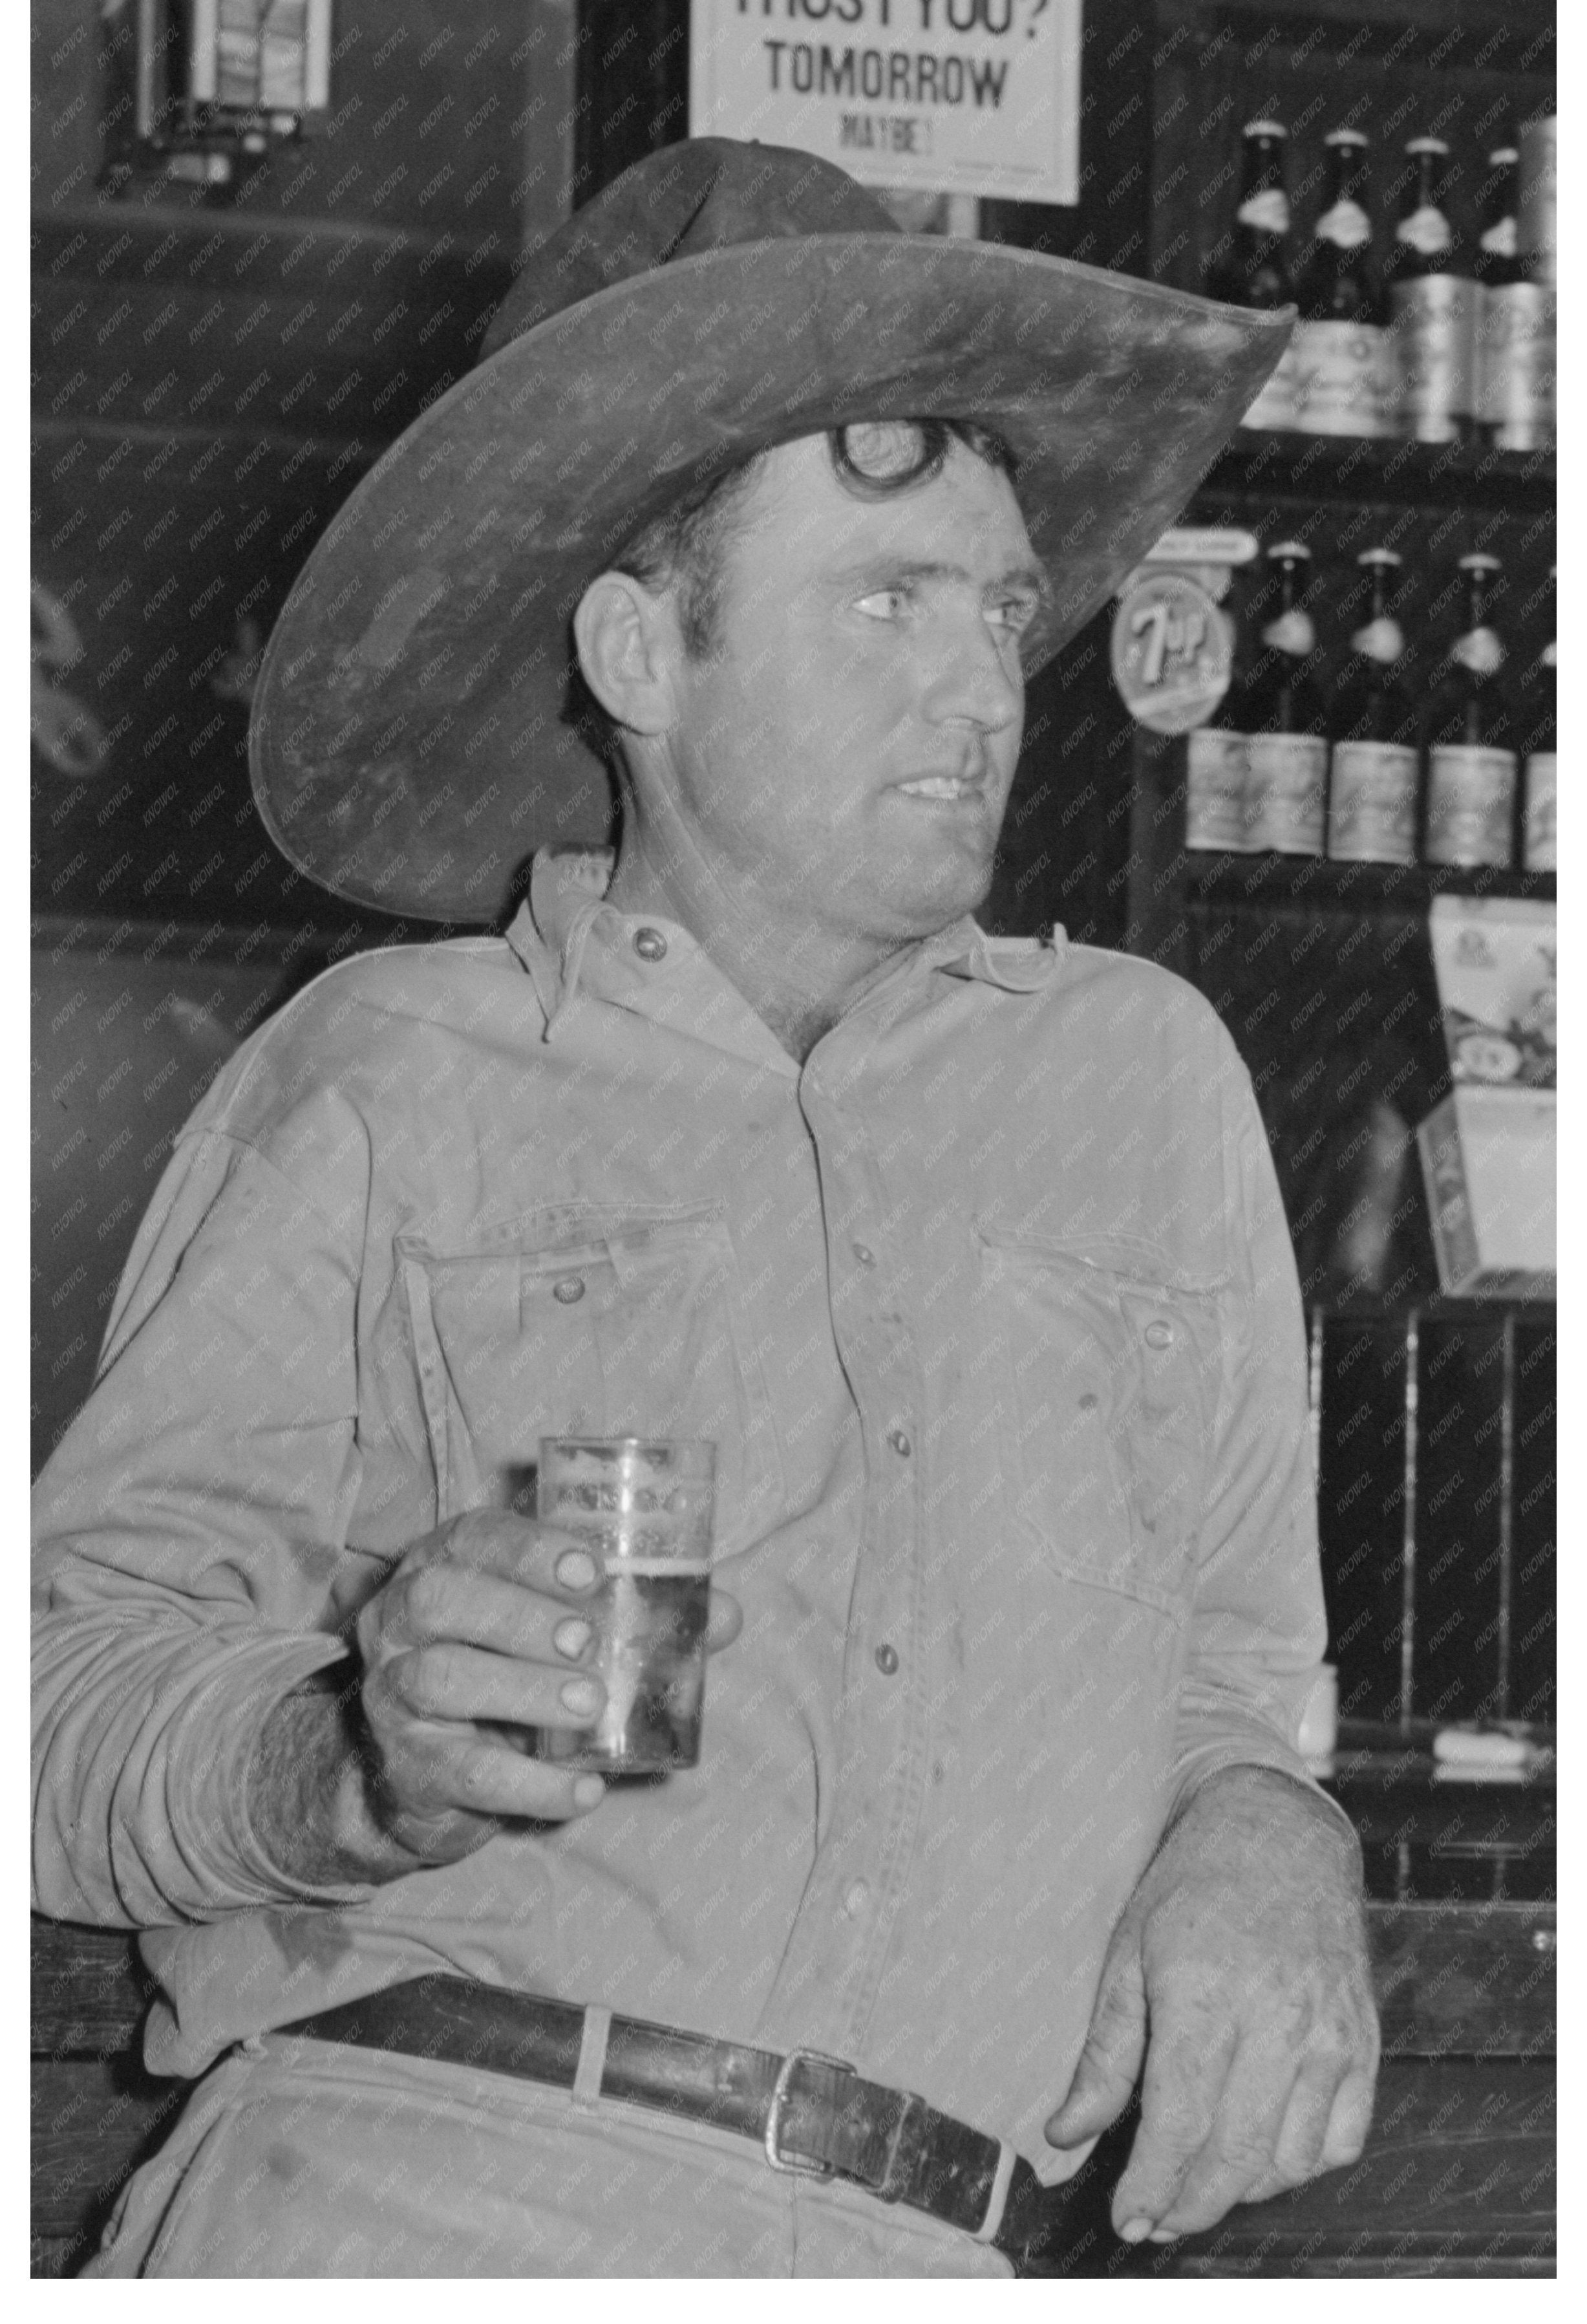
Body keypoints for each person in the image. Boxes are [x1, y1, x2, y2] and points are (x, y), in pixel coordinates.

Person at [32, 138, 1378, 2279]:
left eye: (1003, 607)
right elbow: (59, 1688)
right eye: (887, 602)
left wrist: (1271, 1825)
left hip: (937, 2245)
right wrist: (342, 1757)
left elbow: (1232, 1673)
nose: (984, 687)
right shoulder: (388, 1073)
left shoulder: (1145, 1081)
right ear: (642, 653)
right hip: (411, 2197)